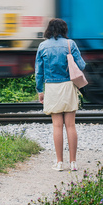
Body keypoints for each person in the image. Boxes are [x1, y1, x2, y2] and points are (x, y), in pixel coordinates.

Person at [35, 18, 86, 172]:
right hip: (68, 86)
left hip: (51, 87)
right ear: (64, 29)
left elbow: (39, 72)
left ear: (49, 30)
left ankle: (59, 163)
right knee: (70, 125)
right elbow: (82, 65)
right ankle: (73, 163)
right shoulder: (70, 44)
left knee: (57, 125)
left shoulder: (42, 46)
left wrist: (40, 90)